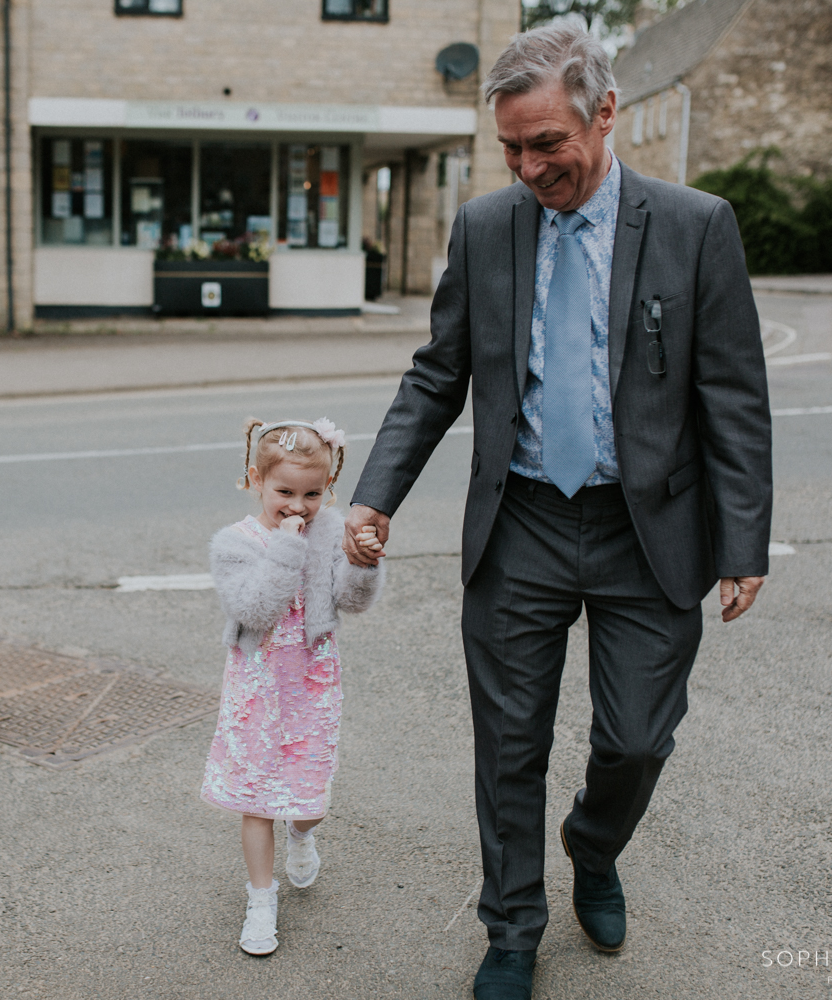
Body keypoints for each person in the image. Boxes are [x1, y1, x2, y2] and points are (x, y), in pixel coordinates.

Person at [343, 22, 772, 1000]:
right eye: (513, 149)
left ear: (605, 113)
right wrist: (376, 496)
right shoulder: (484, 228)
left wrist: (743, 537)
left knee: (635, 739)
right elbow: (437, 375)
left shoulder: (696, 225)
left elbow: (734, 394)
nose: (531, 166)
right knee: (509, 745)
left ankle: (593, 839)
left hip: (649, 529)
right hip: (522, 521)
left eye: (549, 144)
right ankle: (512, 927)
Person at [202, 416, 385, 956]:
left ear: (328, 488)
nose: (298, 507)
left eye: (312, 494)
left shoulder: (330, 530)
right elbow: (256, 608)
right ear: (255, 479)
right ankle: (261, 899)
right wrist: (286, 546)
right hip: (257, 686)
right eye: (284, 492)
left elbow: (351, 600)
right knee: (257, 799)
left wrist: (363, 562)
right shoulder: (234, 544)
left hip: (311, 682)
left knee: (310, 799)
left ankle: (303, 835)